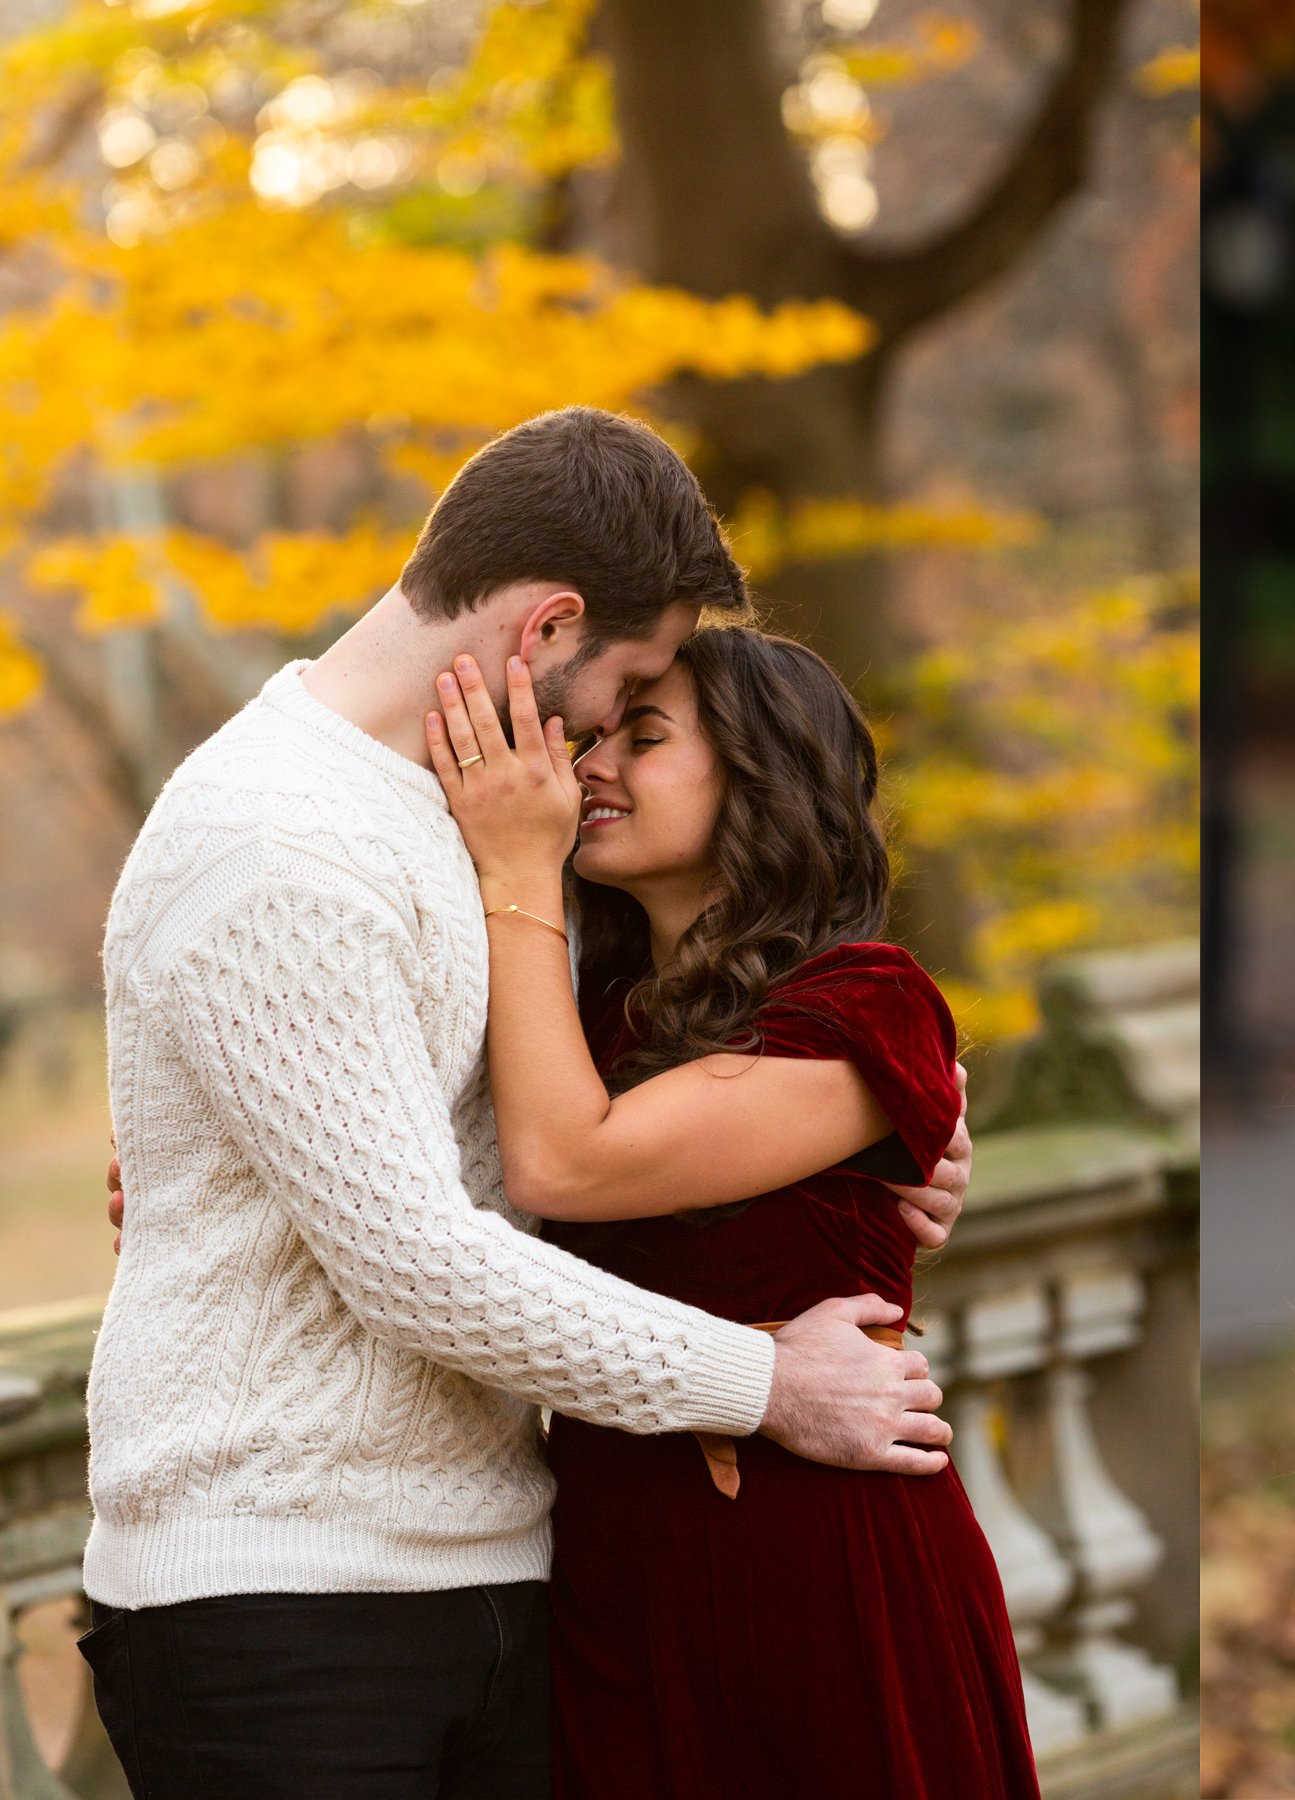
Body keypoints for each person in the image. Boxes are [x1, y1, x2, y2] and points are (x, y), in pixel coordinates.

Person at [83, 408, 966, 1800]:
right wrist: (765, 1380)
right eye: (631, 687)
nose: (605, 741)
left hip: (516, 1568)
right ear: (551, 626)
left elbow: (550, 1131)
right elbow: (419, 1256)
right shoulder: (277, 837)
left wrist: (887, 1137)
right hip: (284, 1603)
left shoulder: (502, 822)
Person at [421, 625, 1039, 1796]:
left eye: (641, 740)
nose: (588, 769)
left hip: (816, 1555)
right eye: (589, 737)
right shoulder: (583, 1012)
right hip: (612, 1556)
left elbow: (562, 1167)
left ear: (763, 779)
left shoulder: (868, 998)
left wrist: (513, 871)